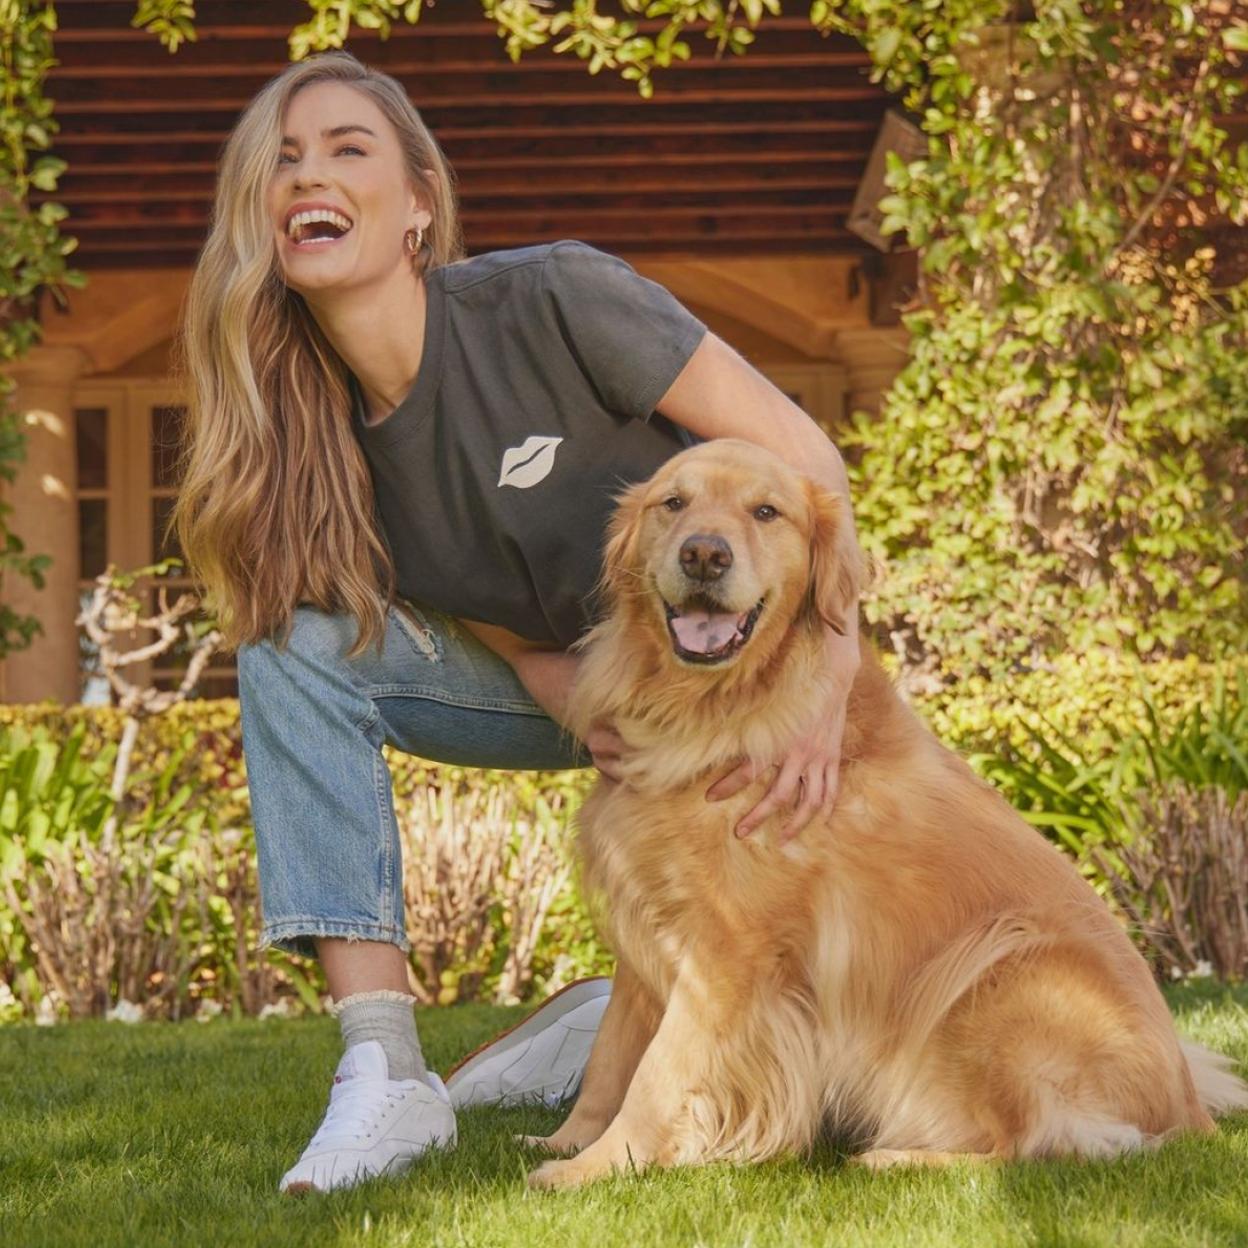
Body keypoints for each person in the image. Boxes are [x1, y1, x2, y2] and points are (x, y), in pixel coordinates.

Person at [172, 50, 863, 1194]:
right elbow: (441, 582)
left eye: (349, 150)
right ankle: (386, 1073)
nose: (309, 176)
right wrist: (550, 680)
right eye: (284, 160)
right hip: (580, 689)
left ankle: (606, 1022)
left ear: (419, 208)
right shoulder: (303, 428)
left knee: (803, 952)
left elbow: (810, 464)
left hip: (732, 679)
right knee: (287, 644)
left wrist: (830, 693)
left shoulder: (556, 299)